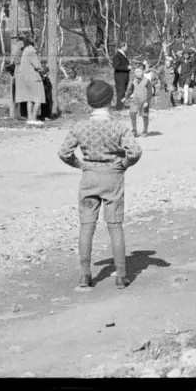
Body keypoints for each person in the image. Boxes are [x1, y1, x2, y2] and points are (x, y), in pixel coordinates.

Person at [57, 79, 142, 290]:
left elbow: (64, 152)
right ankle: (121, 275)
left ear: (89, 102)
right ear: (111, 101)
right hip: (113, 177)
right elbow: (136, 151)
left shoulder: (79, 127)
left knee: (87, 226)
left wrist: (80, 164)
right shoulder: (118, 128)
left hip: (89, 176)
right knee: (115, 226)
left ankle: (85, 275)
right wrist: (123, 163)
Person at [15, 34, 47, 125]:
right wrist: (45, 69)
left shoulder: (25, 50)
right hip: (33, 78)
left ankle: (29, 118)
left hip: (25, 78)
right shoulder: (32, 51)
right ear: (34, 42)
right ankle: (34, 118)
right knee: (38, 98)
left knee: (30, 98)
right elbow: (37, 66)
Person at [123, 65, 154, 137]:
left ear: (143, 72)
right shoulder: (133, 81)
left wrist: (147, 101)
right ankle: (134, 130)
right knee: (132, 113)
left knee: (145, 116)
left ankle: (145, 131)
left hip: (144, 101)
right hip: (135, 101)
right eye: (136, 72)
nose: (137, 73)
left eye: (139, 71)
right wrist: (125, 97)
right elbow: (130, 90)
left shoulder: (147, 81)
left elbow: (150, 92)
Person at [112, 43, 131, 112]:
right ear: (122, 47)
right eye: (126, 46)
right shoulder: (117, 55)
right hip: (120, 76)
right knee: (121, 91)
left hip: (124, 76)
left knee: (123, 91)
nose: (127, 48)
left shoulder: (123, 54)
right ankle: (119, 108)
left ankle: (121, 106)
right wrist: (127, 67)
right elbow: (116, 66)